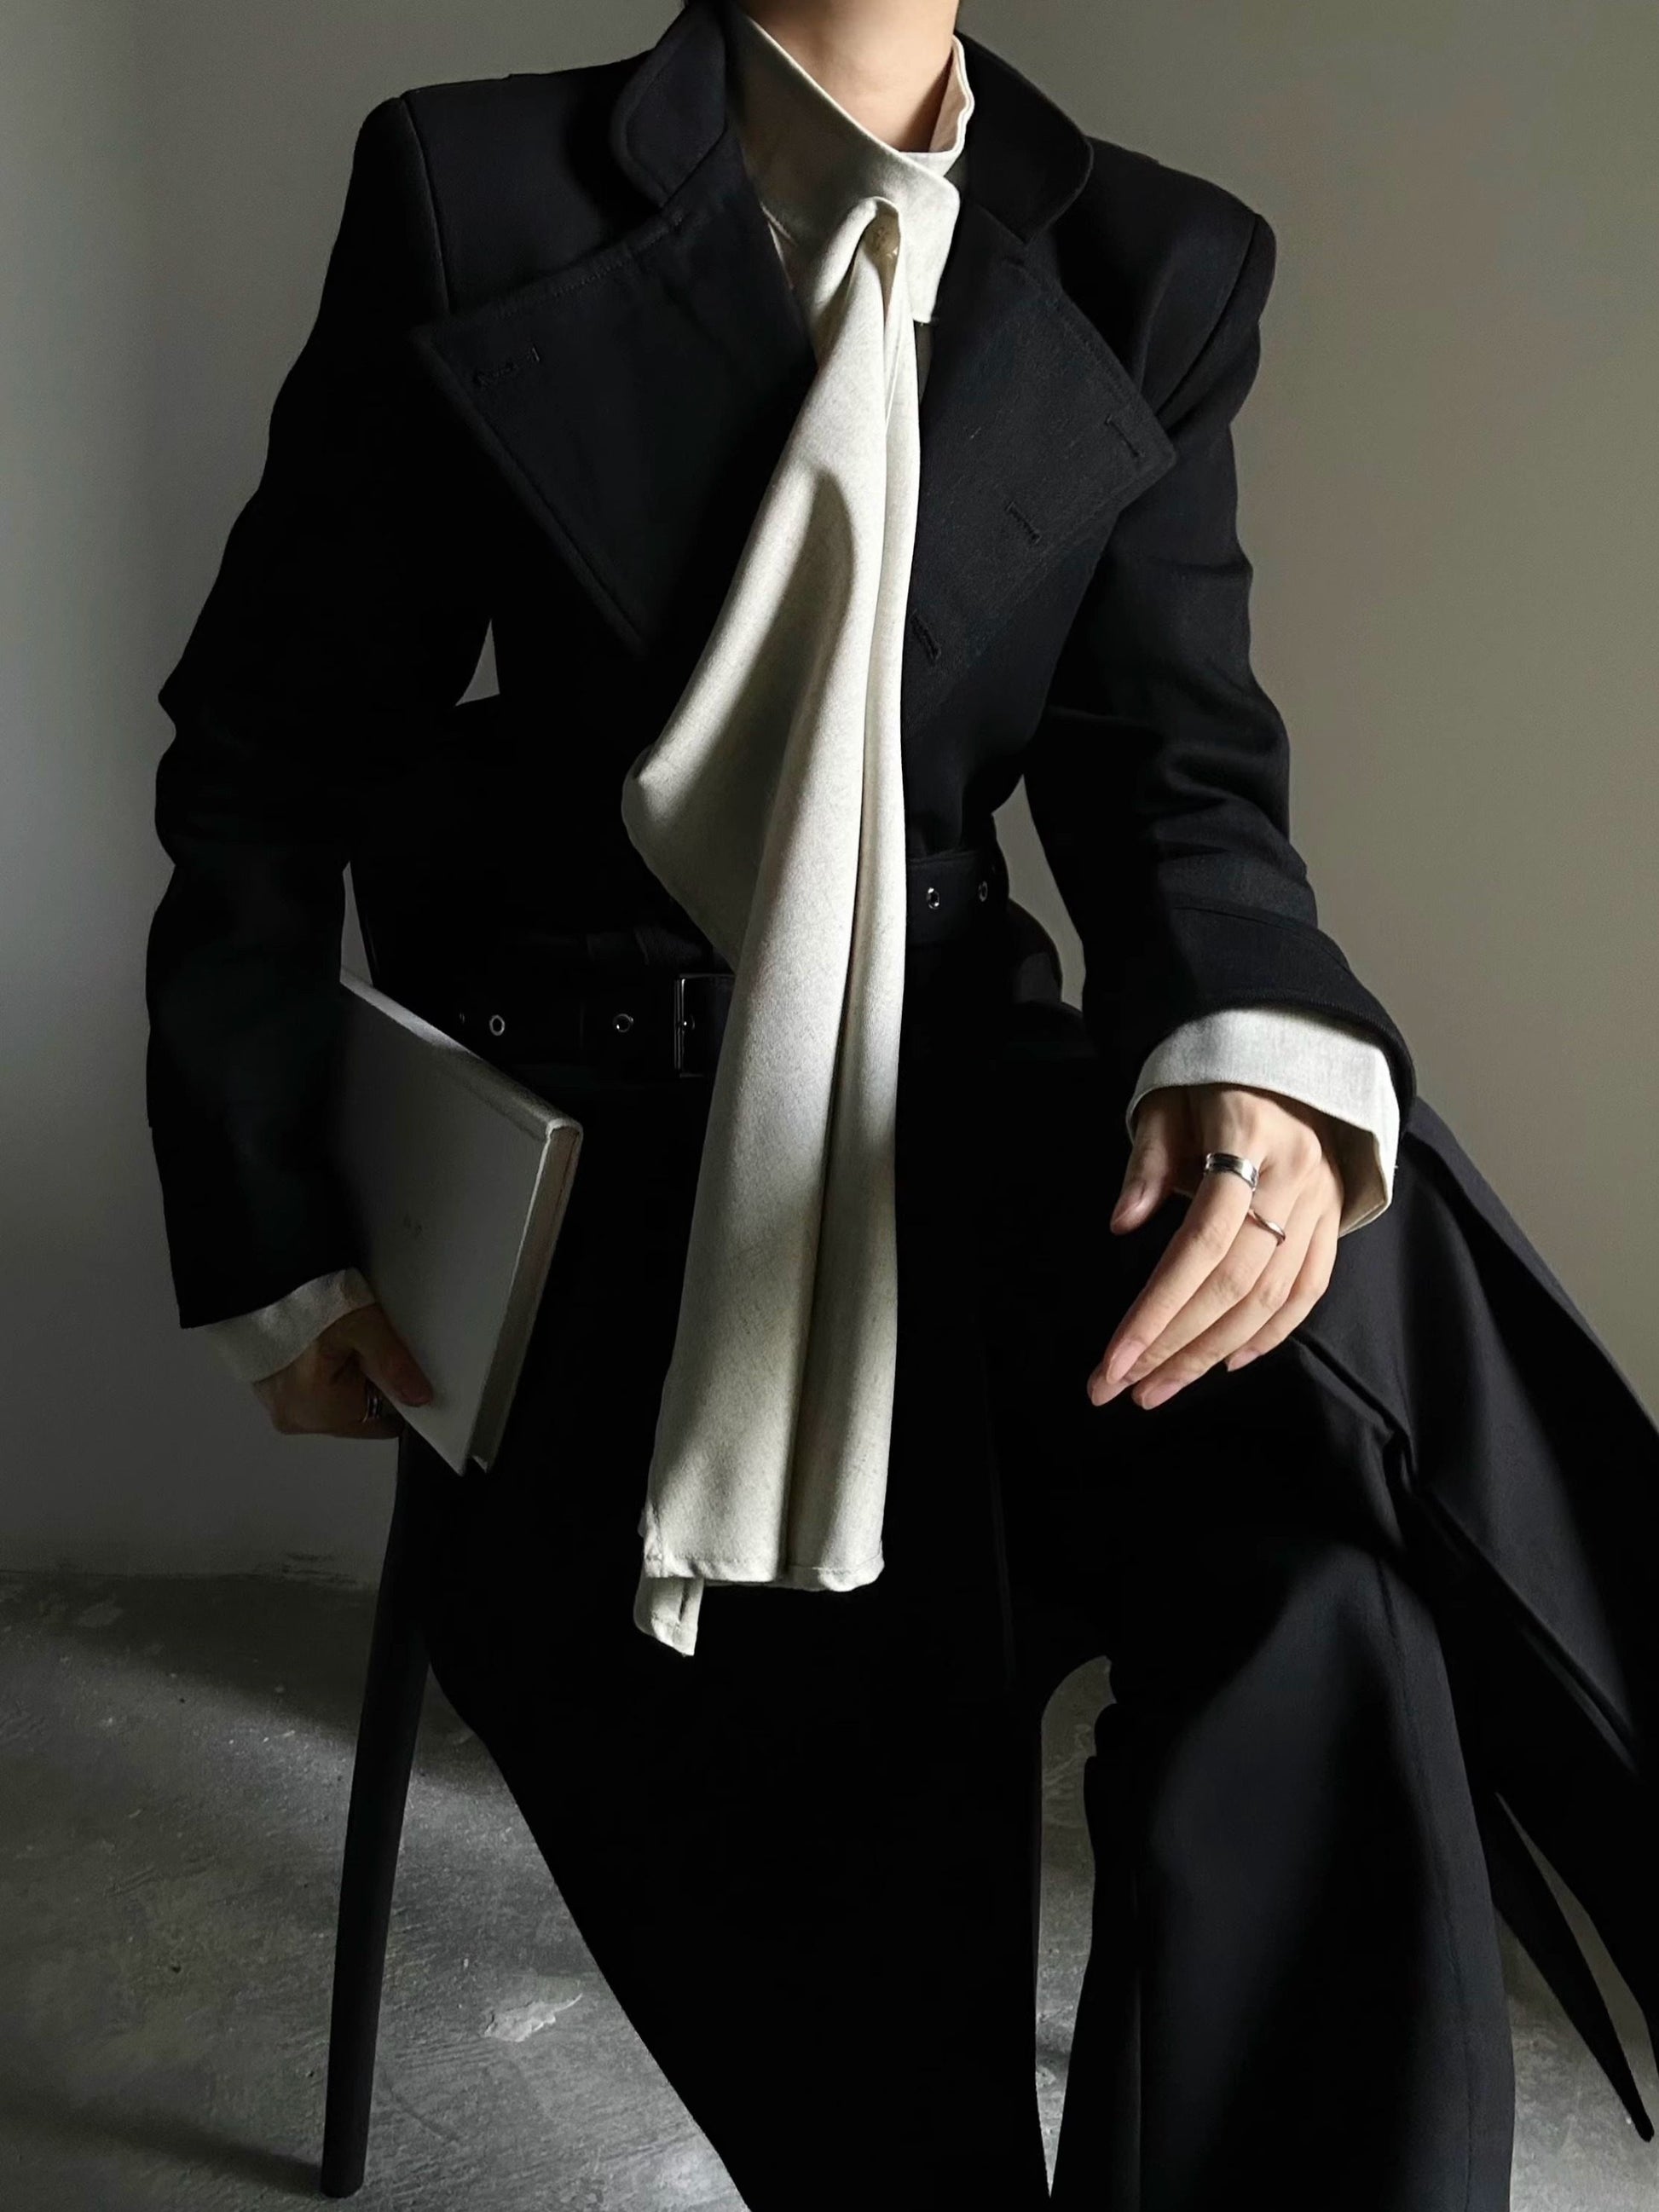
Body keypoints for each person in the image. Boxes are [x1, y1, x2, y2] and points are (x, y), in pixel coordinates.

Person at [145, 3, 1659, 2206]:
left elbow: (1175, 783)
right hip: (611, 1170)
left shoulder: (1153, 263)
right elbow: (269, 751)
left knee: (1328, 1514)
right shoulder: (474, 193)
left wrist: (1260, 1063)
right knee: (899, 1832)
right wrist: (275, 1227)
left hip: (979, 1121)